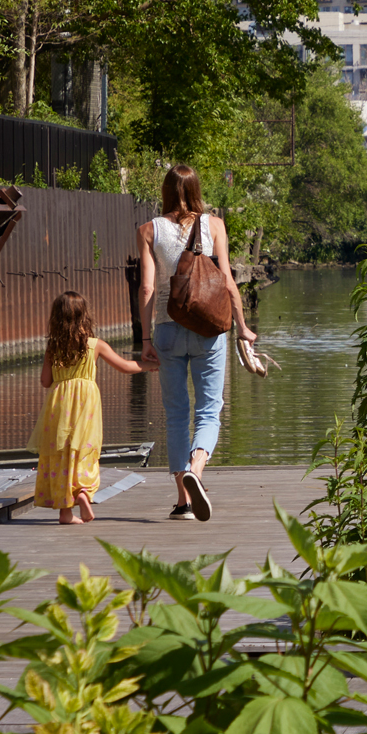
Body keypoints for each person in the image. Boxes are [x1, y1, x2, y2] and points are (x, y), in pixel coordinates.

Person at [136, 163, 257, 521]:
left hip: (168, 329)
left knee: (176, 415)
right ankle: (197, 471)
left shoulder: (148, 230)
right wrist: (243, 327)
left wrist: (145, 338)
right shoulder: (215, 225)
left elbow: (146, 288)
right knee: (209, 409)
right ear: (197, 190)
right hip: (209, 330)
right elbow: (227, 283)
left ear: (166, 191)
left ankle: (182, 502)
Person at [32, 291, 152, 524]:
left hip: (59, 408)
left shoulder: (53, 347)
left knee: (61, 454)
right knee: (85, 451)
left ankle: (65, 512)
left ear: (56, 318)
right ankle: (84, 492)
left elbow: (45, 381)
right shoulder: (95, 345)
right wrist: (148, 366)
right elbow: (125, 366)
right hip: (86, 407)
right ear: (85, 316)